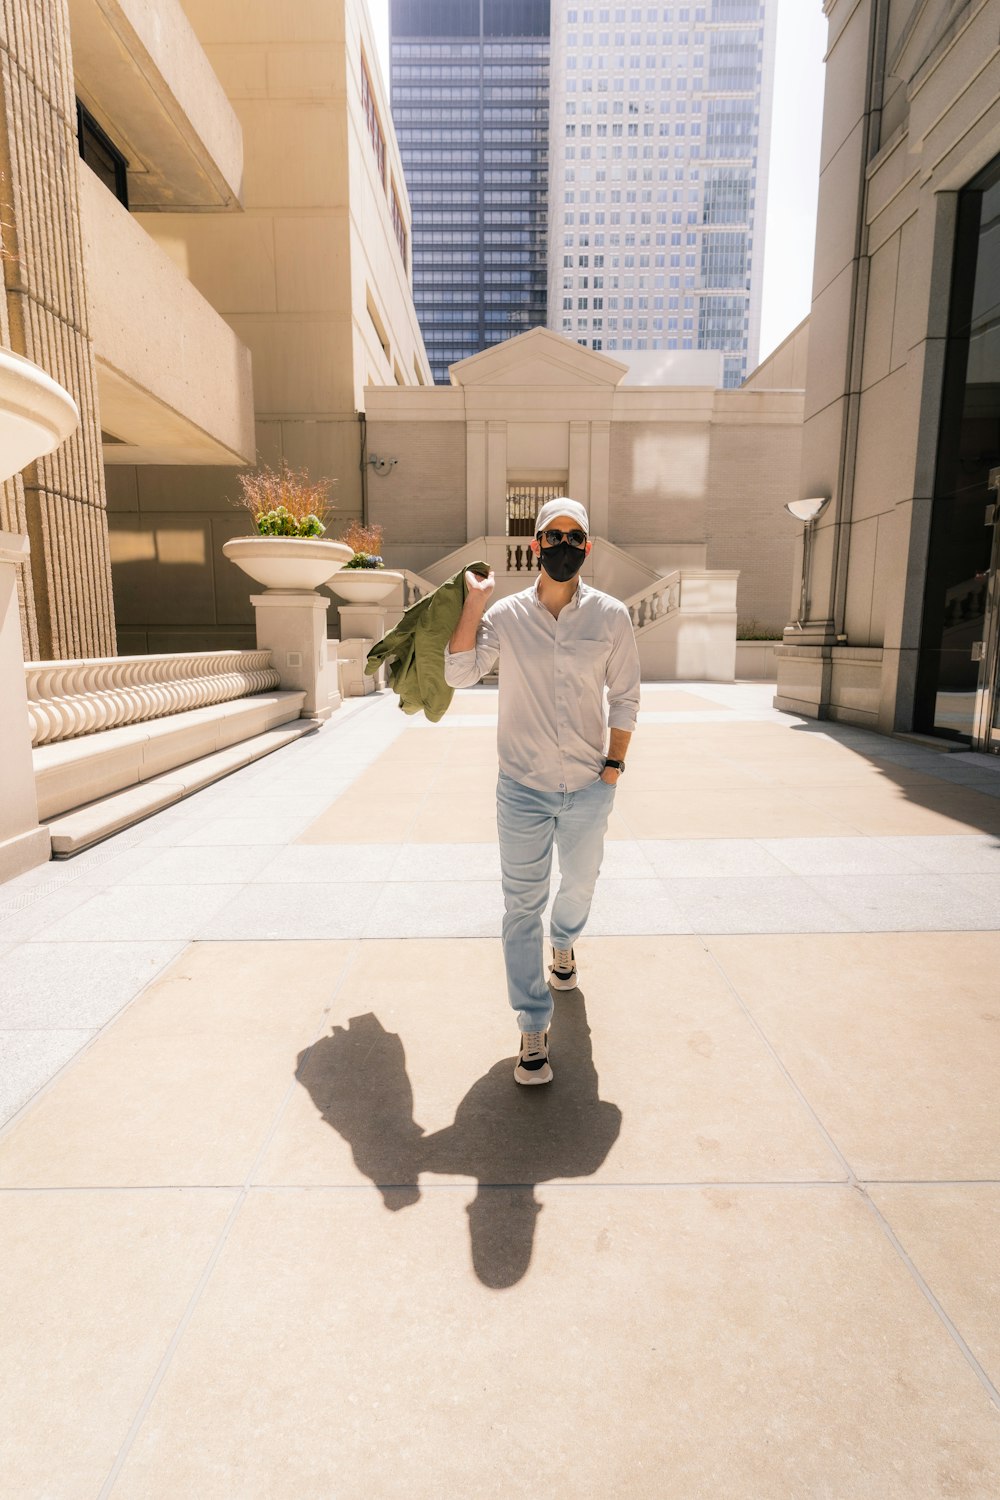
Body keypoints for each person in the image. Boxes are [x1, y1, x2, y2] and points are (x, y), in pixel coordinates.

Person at [444, 498, 641, 1086]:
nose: (562, 545)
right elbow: (459, 673)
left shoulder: (610, 617)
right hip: (522, 789)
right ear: (535, 546)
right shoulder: (505, 616)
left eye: (573, 536)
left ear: (587, 546)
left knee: (578, 887)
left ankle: (566, 943)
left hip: (588, 785)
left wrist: (612, 769)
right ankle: (533, 1022)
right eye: (551, 535)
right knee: (520, 907)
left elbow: (626, 696)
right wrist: (474, 604)